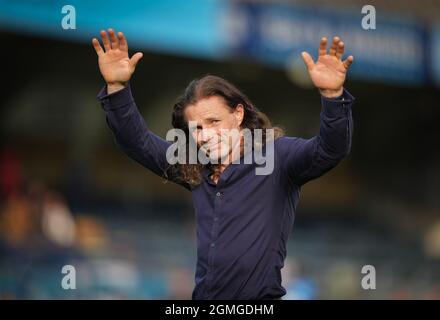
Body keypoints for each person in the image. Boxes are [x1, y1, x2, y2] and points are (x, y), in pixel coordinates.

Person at [92, 28, 355, 300]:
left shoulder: (278, 157)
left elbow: (330, 149)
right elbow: (138, 143)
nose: (205, 135)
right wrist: (117, 88)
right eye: (197, 128)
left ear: (238, 114)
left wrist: (333, 96)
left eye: (214, 122)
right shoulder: (194, 165)